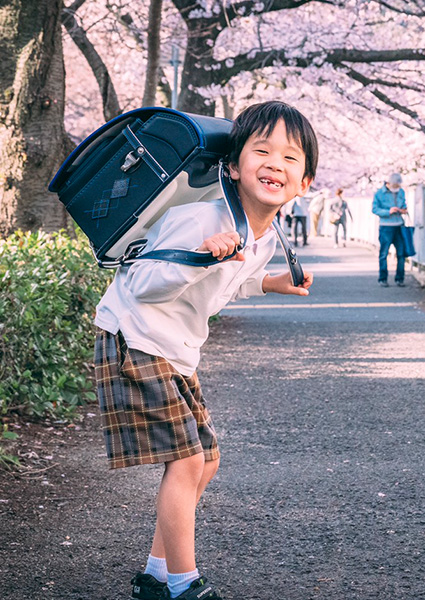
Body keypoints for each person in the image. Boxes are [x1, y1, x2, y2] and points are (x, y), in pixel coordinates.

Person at [93, 101, 318, 600]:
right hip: (135, 337)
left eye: (290, 158)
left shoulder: (261, 233)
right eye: (261, 151)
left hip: (174, 349)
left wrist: (271, 283)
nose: (275, 164)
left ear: (305, 183)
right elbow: (144, 283)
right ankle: (184, 584)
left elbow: (230, 280)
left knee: (206, 459)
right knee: (188, 461)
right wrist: (200, 256)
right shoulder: (201, 218)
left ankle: (155, 574)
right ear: (234, 166)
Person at [372, 172, 410, 287]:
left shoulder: (401, 192)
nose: (397, 188)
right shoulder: (379, 193)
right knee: (383, 254)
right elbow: (374, 209)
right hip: (386, 226)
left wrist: (403, 210)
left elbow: (404, 204)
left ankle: (400, 278)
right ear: (389, 183)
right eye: (395, 186)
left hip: (399, 225)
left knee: (401, 254)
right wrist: (388, 211)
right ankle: (382, 279)